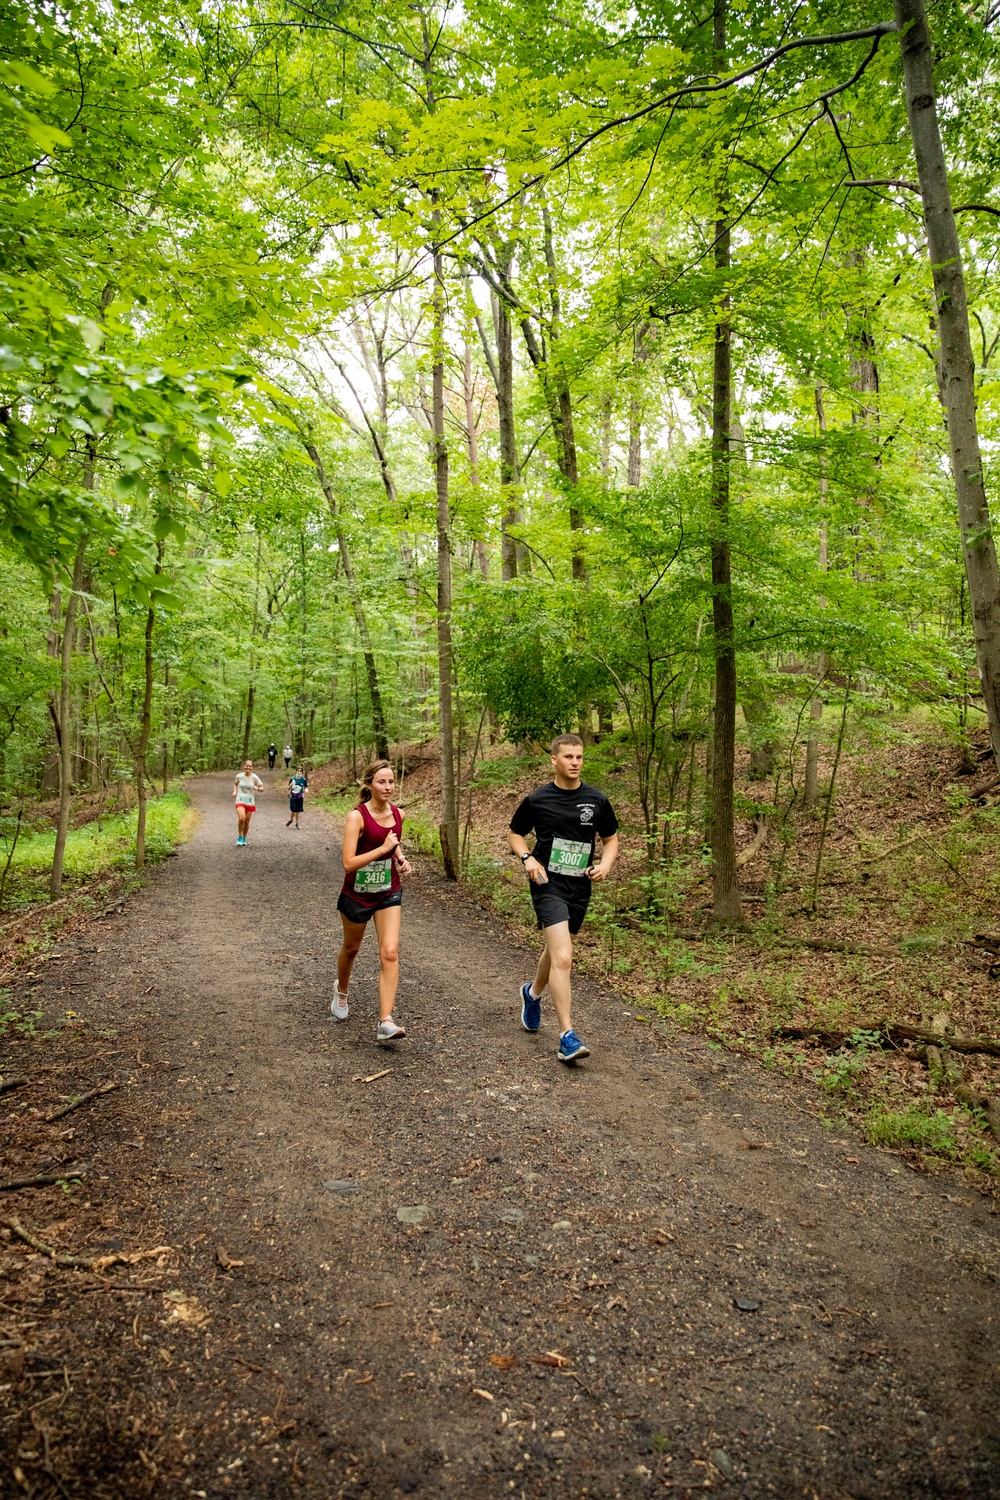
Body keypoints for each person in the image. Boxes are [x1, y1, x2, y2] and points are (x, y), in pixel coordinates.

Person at [508, 733, 619, 1063]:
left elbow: (611, 839)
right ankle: (567, 1037)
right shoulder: (538, 799)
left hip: (579, 886)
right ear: (554, 760)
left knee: (556, 952)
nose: (575, 762)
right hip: (546, 882)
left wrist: (605, 865)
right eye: (568, 757)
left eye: (579, 757)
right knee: (565, 957)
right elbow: (515, 833)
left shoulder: (596, 800)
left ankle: (532, 993)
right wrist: (528, 858)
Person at [334, 759, 411, 1042]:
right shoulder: (357, 817)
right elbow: (348, 863)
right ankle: (341, 991)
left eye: (391, 781)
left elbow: (392, 840)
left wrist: (400, 858)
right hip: (356, 894)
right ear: (369, 784)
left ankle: (385, 1021)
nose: (388, 787)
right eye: (382, 782)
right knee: (351, 949)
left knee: (390, 952)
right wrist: (384, 848)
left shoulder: (399, 814)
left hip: (388, 891)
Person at [233, 760, 264, 846]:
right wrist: (235, 791)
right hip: (240, 800)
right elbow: (235, 783)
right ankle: (239, 836)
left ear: (252, 768)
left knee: (247, 821)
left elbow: (262, 788)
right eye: (247, 766)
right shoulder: (239, 776)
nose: (248, 767)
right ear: (244, 766)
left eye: (250, 766)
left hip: (250, 802)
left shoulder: (255, 777)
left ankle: (244, 838)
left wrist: (257, 788)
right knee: (242, 818)